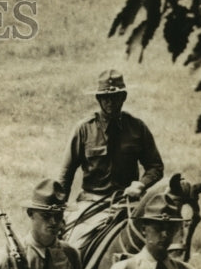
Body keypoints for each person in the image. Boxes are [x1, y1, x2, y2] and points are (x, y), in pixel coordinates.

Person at [58, 70, 164, 249]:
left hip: (129, 203)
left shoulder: (137, 128)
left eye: (115, 97)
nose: (110, 102)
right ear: (98, 99)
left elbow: (156, 166)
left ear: (123, 97)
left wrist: (141, 185)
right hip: (92, 204)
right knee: (75, 247)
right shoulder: (84, 130)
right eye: (105, 97)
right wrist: (59, 212)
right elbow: (65, 176)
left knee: (160, 242)